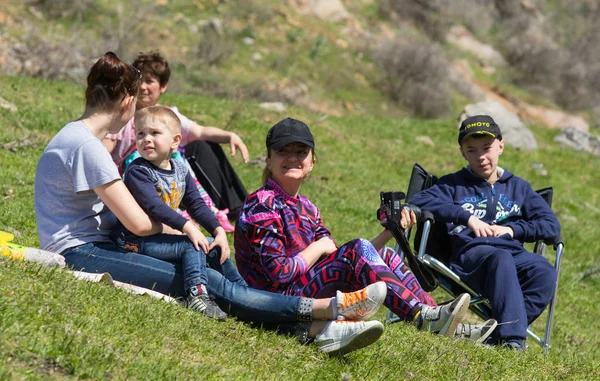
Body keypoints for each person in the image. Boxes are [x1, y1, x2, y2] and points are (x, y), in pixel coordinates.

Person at [33, 52, 393, 356]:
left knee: (214, 270)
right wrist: (186, 228)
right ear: (127, 101)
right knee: (209, 281)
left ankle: (316, 331)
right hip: (81, 251)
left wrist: (209, 229)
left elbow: (154, 212)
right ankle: (331, 309)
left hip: (98, 244)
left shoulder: (78, 138)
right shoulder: (87, 146)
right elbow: (141, 224)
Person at [234, 117, 498, 343]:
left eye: (300, 151)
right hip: (275, 303)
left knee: (388, 256)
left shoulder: (307, 208)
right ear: (268, 160)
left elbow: (341, 264)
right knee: (358, 248)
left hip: (306, 292)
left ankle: (437, 319)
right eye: (283, 151)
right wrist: (318, 247)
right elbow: (279, 273)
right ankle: (422, 316)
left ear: (312, 161)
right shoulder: (262, 204)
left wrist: (390, 232)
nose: (292, 157)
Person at [410, 115, 560, 351]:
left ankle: (499, 334)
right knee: (499, 259)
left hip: (513, 255)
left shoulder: (519, 187)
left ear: (500, 146)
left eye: (487, 148)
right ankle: (513, 342)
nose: (481, 157)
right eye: (472, 150)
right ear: (463, 153)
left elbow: (551, 225)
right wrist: (467, 218)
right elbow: (420, 200)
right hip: (470, 256)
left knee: (544, 271)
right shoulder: (453, 184)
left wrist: (512, 229)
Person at [112, 105, 230, 320]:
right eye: (141, 133)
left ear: (175, 141)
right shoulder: (137, 171)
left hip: (161, 236)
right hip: (134, 240)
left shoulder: (180, 169)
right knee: (191, 244)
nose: (146, 139)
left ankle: (239, 288)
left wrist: (218, 230)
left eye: (155, 133)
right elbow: (155, 207)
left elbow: (196, 204)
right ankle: (197, 295)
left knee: (213, 245)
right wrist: (188, 227)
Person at [103, 51, 248, 222]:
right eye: (139, 81)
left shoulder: (167, 115)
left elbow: (199, 132)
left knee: (201, 146)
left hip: (170, 181)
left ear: (163, 86)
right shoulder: (124, 116)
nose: (142, 87)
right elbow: (102, 153)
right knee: (194, 150)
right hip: (139, 182)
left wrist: (230, 136)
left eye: (149, 82)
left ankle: (244, 207)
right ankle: (233, 212)